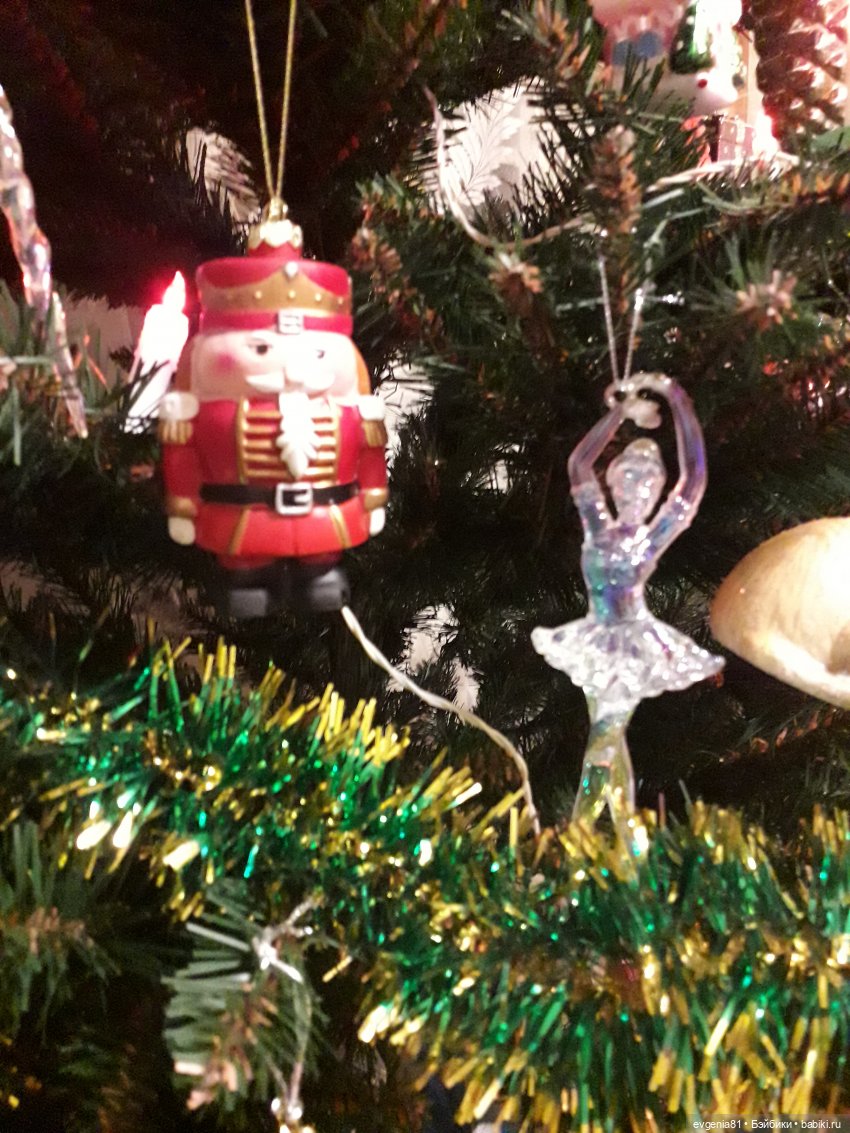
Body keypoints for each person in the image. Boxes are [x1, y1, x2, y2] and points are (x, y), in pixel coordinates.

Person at [532, 373, 723, 827]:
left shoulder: (651, 539)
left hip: (633, 646)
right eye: (629, 479)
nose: (637, 489)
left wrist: (676, 397)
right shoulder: (599, 526)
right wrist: (619, 410)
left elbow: (693, 481)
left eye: (647, 483)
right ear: (615, 484)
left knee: (603, 740)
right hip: (595, 639)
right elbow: (579, 465)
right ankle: (628, 840)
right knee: (609, 744)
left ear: (656, 491)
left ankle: (580, 832)